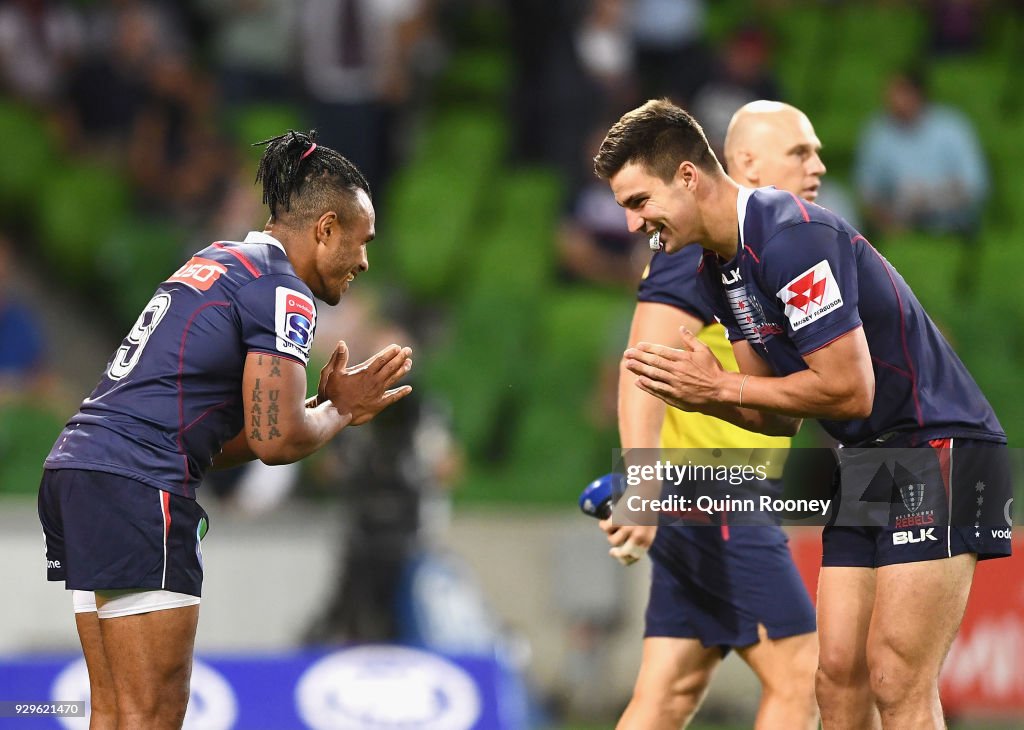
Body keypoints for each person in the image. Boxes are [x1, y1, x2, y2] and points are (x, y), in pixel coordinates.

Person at [596, 99, 1011, 729]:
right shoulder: (716, 269)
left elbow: (849, 393)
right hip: (867, 458)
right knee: (835, 677)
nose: (632, 225)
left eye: (637, 202)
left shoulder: (788, 235)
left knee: (897, 678)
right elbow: (779, 413)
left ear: (687, 176)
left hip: (942, 445)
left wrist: (718, 393)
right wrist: (703, 394)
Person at [37, 130, 414, 730]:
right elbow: (278, 440)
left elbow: (211, 439)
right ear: (325, 229)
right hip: (137, 483)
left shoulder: (219, 260)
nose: (365, 260)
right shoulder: (283, 291)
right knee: (152, 713)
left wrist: (316, 404)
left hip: (82, 470)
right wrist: (339, 411)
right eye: (362, 240)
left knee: (113, 712)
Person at [599, 101, 821, 730]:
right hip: (715, 488)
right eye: (800, 152)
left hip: (712, 490)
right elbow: (641, 360)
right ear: (745, 162)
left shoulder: (759, 245)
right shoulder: (695, 242)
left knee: (667, 693)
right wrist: (642, 485)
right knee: (799, 674)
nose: (818, 167)